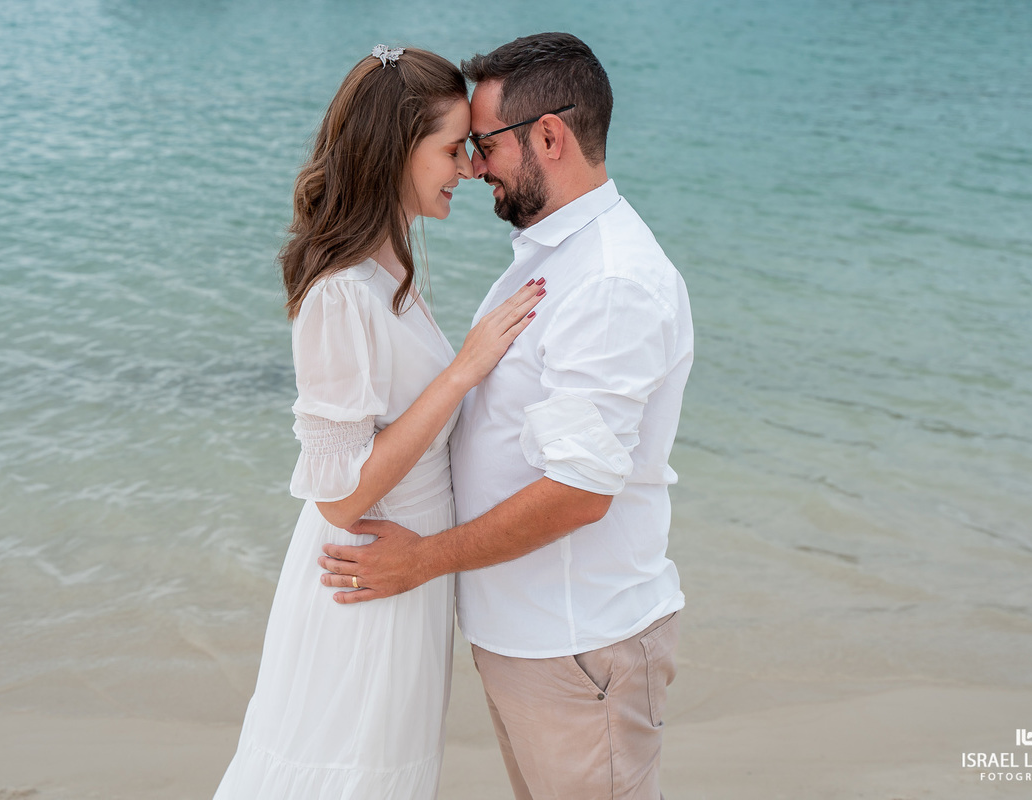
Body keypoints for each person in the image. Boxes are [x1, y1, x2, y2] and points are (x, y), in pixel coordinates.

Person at [319, 32, 694, 800]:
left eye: (485, 144)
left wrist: (421, 561)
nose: (474, 165)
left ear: (549, 136)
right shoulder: (553, 252)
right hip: (535, 641)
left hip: (578, 645)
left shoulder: (611, 282)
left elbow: (579, 493)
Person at [214, 45, 544, 800]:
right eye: (449, 149)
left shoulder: (390, 267)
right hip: (363, 584)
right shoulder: (341, 294)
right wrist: (464, 369)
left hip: (401, 574)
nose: (467, 169)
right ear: (395, 151)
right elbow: (338, 496)